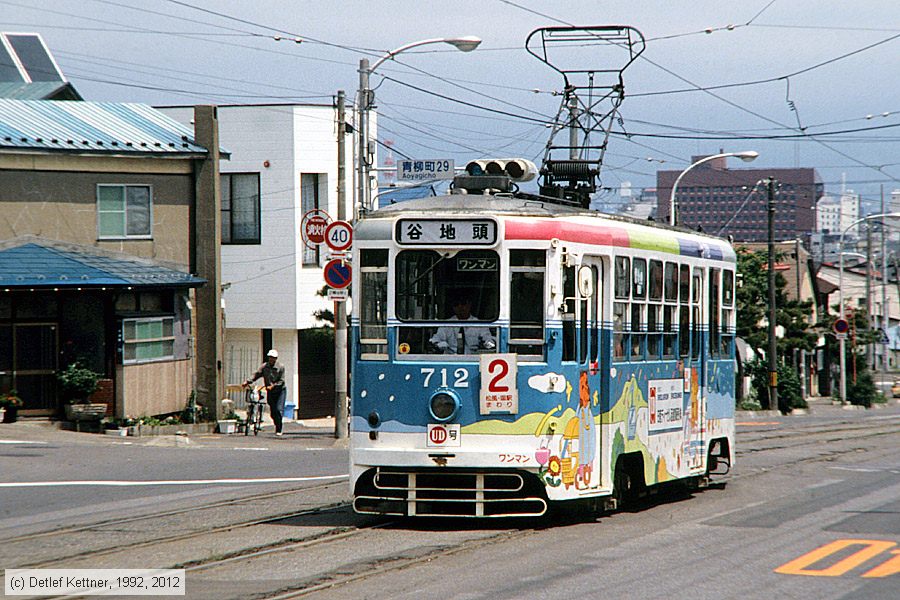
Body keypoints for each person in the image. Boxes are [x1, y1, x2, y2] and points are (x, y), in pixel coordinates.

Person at [429, 295, 495, 354]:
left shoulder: (479, 324)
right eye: (456, 305)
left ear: (469, 305)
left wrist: (488, 344)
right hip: (451, 359)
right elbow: (436, 339)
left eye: (463, 303)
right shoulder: (447, 324)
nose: (460, 307)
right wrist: (439, 344)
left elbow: (488, 338)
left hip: (473, 358)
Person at [243, 349, 286, 436]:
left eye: (273, 358)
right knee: (273, 411)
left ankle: (279, 428)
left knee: (278, 409)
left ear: (276, 358)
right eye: (270, 357)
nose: (271, 359)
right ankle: (276, 422)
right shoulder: (264, 367)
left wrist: (273, 386)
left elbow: (282, 381)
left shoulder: (280, 367)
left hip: (280, 391)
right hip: (270, 391)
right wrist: (248, 381)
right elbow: (256, 374)